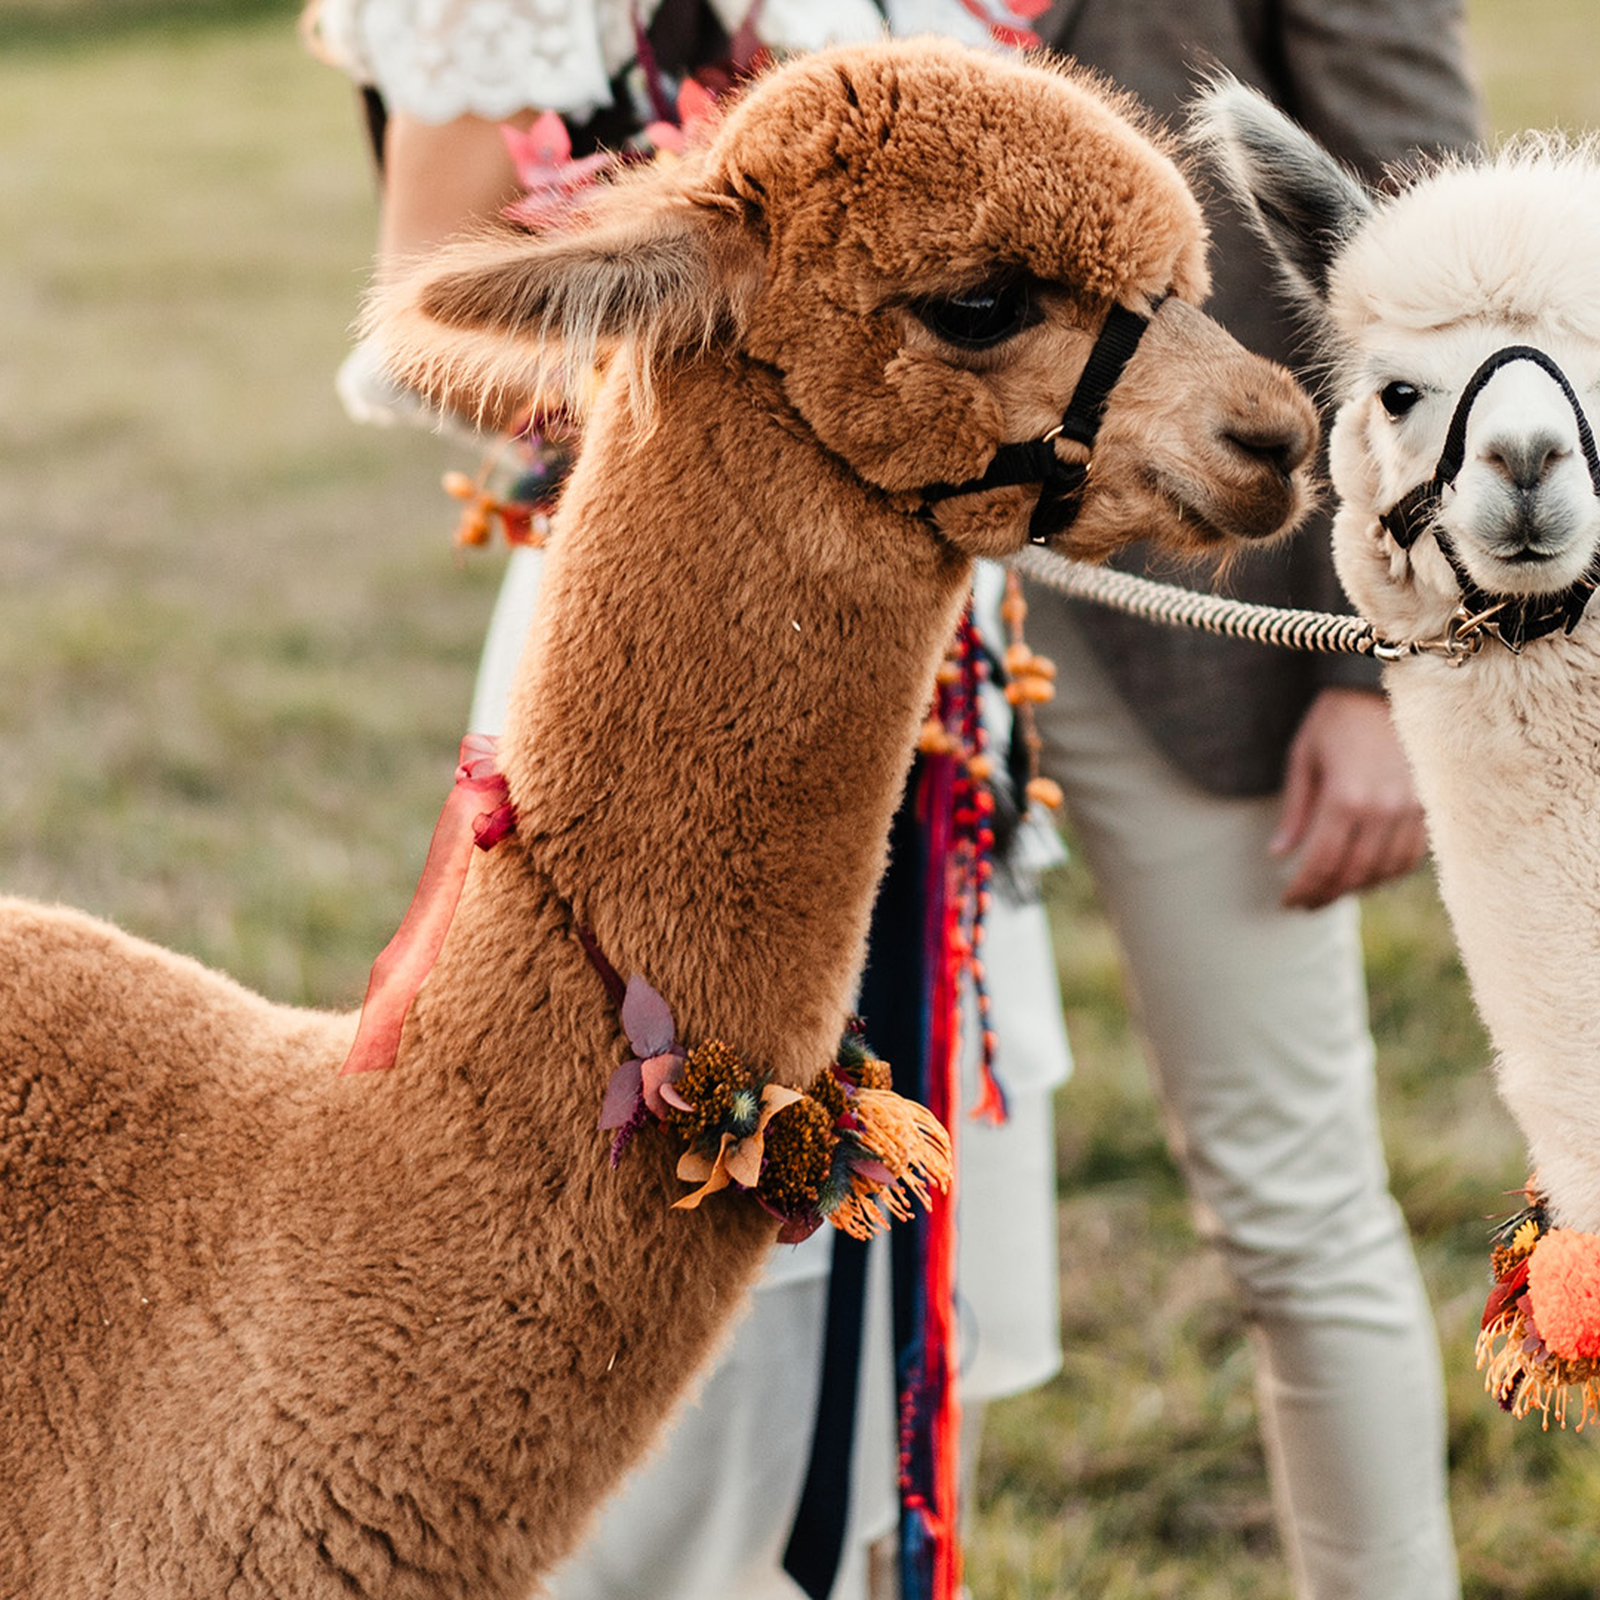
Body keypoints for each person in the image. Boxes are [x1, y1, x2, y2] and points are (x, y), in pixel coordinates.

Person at [306, 4, 1072, 1597]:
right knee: (663, 1215)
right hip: (682, 645)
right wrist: (755, 364)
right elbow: (432, 321)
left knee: (914, 1239)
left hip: (924, 656)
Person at [1017, 2, 1482, 1595]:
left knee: (1292, 1197)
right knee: (844, 1200)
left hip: (1208, 604)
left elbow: (1431, 247)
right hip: (860, 610)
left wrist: (1378, 670)